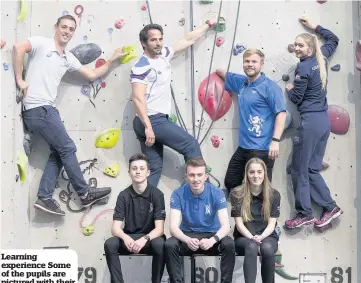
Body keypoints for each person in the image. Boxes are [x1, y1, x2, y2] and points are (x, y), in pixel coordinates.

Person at [13, 15, 127, 216]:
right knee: (67, 148)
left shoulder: (67, 57)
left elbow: (91, 75)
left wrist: (111, 59)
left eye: (71, 29)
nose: (66, 31)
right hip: (38, 109)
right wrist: (20, 80)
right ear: (56, 27)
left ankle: (45, 197)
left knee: (60, 151)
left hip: (45, 110)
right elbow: (18, 47)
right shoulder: (42, 43)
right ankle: (84, 194)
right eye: (63, 27)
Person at [130, 20, 217, 187]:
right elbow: (137, 98)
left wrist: (207, 24)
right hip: (151, 119)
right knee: (190, 145)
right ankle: (202, 191)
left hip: (151, 120)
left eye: (160, 39)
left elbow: (186, 40)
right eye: (153, 40)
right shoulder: (141, 66)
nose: (158, 43)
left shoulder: (163, 55)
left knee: (154, 167)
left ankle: (144, 208)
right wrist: (148, 126)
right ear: (143, 43)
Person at [284, 16, 343, 229]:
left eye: (301, 45)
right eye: (296, 45)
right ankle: (330, 207)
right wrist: (314, 27)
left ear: (310, 48)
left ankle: (304, 213)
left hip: (309, 123)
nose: (297, 48)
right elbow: (333, 40)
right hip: (323, 122)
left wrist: (290, 89)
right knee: (311, 169)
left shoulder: (303, 69)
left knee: (300, 169)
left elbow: (297, 98)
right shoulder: (322, 59)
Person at [165, 157, 236, 283]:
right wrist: (187, 239)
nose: (196, 179)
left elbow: (226, 226)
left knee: (229, 243)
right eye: (192, 175)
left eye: (199, 175)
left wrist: (213, 239)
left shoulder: (216, 193)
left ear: (206, 176)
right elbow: (173, 228)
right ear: (186, 176)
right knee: (170, 244)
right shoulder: (177, 194)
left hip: (211, 236)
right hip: (188, 235)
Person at [215, 49, 287, 193]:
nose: (250, 64)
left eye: (254, 62)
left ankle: (263, 215)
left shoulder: (270, 87)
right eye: (247, 61)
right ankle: (240, 213)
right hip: (243, 147)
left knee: (260, 191)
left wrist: (275, 141)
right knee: (231, 182)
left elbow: (281, 114)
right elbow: (221, 72)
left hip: (262, 148)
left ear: (262, 64)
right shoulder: (241, 83)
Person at [104, 153, 166, 283]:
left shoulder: (157, 194)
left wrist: (144, 239)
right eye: (134, 168)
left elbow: (159, 229)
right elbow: (115, 228)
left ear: (148, 172)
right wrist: (125, 238)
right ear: (129, 172)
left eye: (141, 168)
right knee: (110, 244)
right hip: (130, 238)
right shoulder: (123, 195)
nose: (138, 171)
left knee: (161, 244)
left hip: (150, 238)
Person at [230, 158, 280, 283]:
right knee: (251, 246)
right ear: (247, 174)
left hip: (267, 235)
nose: (256, 176)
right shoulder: (237, 194)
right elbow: (239, 224)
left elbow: (272, 224)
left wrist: (262, 237)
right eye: (252, 172)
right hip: (244, 237)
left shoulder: (273, 194)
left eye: (259, 172)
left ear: (264, 173)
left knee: (266, 249)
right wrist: (252, 237)